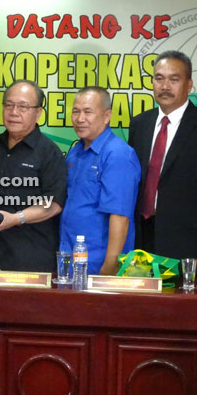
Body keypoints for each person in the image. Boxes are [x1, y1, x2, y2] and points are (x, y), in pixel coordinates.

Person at [129, 50, 197, 278]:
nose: (165, 86)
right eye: (159, 78)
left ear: (189, 84)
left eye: (174, 79)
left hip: (188, 246)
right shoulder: (140, 124)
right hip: (142, 239)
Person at [0, 80, 66, 271]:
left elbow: (54, 204)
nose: (14, 112)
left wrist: (17, 218)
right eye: (9, 105)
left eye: (23, 106)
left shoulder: (49, 152)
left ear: (38, 112)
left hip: (28, 257)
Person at [59, 87, 140, 275]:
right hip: (70, 260)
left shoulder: (117, 154)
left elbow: (120, 216)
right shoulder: (75, 151)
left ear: (107, 116)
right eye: (75, 111)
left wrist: (110, 267)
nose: (80, 119)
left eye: (88, 112)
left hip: (98, 264)